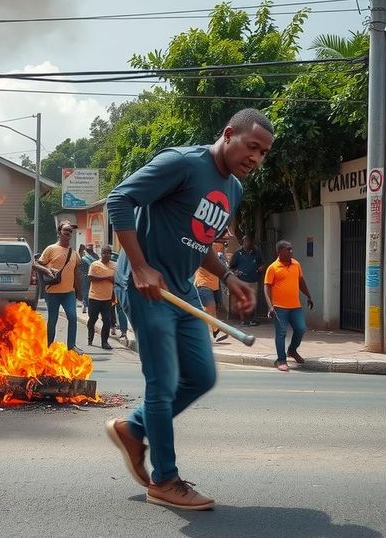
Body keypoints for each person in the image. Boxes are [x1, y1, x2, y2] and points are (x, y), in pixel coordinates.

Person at [104, 108, 273, 511]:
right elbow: (119, 200)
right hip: (147, 289)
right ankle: (164, 480)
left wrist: (230, 278)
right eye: (252, 147)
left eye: (264, 153)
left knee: (200, 376)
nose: (257, 158)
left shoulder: (234, 190)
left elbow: (198, 244)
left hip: (183, 292)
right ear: (228, 134)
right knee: (161, 385)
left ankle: (134, 427)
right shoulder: (181, 163)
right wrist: (141, 267)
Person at [33, 221, 82, 353]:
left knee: (72, 317)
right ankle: (49, 345)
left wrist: (79, 291)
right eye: (66, 230)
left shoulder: (74, 253)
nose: (68, 233)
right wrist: (47, 271)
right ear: (59, 232)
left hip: (69, 293)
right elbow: (36, 264)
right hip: (52, 293)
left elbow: (76, 273)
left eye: (70, 231)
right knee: (53, 320)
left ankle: (71, 346)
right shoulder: (51, 249)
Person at [264, 241, 313, 371]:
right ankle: (281, 360)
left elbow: (301, 281)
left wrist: (308, 295)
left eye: (291, 249)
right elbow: (267, 288)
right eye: (288, 250)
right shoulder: (273, 267)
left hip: (295, 306)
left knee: (301, 329)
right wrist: (270, 306)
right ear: (279, 252)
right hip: (279, 308)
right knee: (281, 333)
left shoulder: (296, 264)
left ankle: (292, 351)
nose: (291, 252)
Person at [230, 235, 264, 326]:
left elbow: (262, 264)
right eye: (245, 241)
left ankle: (251, 320)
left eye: (248, 241)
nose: (247, 243)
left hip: (253, 279)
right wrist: (235, 272)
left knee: (252, 300)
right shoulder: (237, 253)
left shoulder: (256, 252)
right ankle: (244, 320)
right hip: (242, 280)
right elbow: (231, 267)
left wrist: (261, 268)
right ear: (242, 242)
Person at [86, 244, 116, 350]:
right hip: (94, 297)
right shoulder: (95, 265)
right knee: (93, 319)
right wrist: (107, 277)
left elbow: (115, 281)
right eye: (104, 253)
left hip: (107, 299)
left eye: (108, 253)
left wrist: (113, 295)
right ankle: (90, 337)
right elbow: (91, 277)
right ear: (101, 254)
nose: (106, 255)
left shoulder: (114, 266)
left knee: (107, 320)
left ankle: (105, 342)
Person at [194, 266, 228, 343]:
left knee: (212, 310)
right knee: (208, 310)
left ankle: (215, 331)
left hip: (214, 287)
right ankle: (206, 333)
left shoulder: (215, 255)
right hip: (203, 285)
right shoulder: (203, 256)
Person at [75, 244, 90, 313]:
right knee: (85, 291)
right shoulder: (81, 256)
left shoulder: (83, 255)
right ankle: (84, 306)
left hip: (83, 276)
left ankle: (84, 305)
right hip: (83, 276)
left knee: (85, 291)